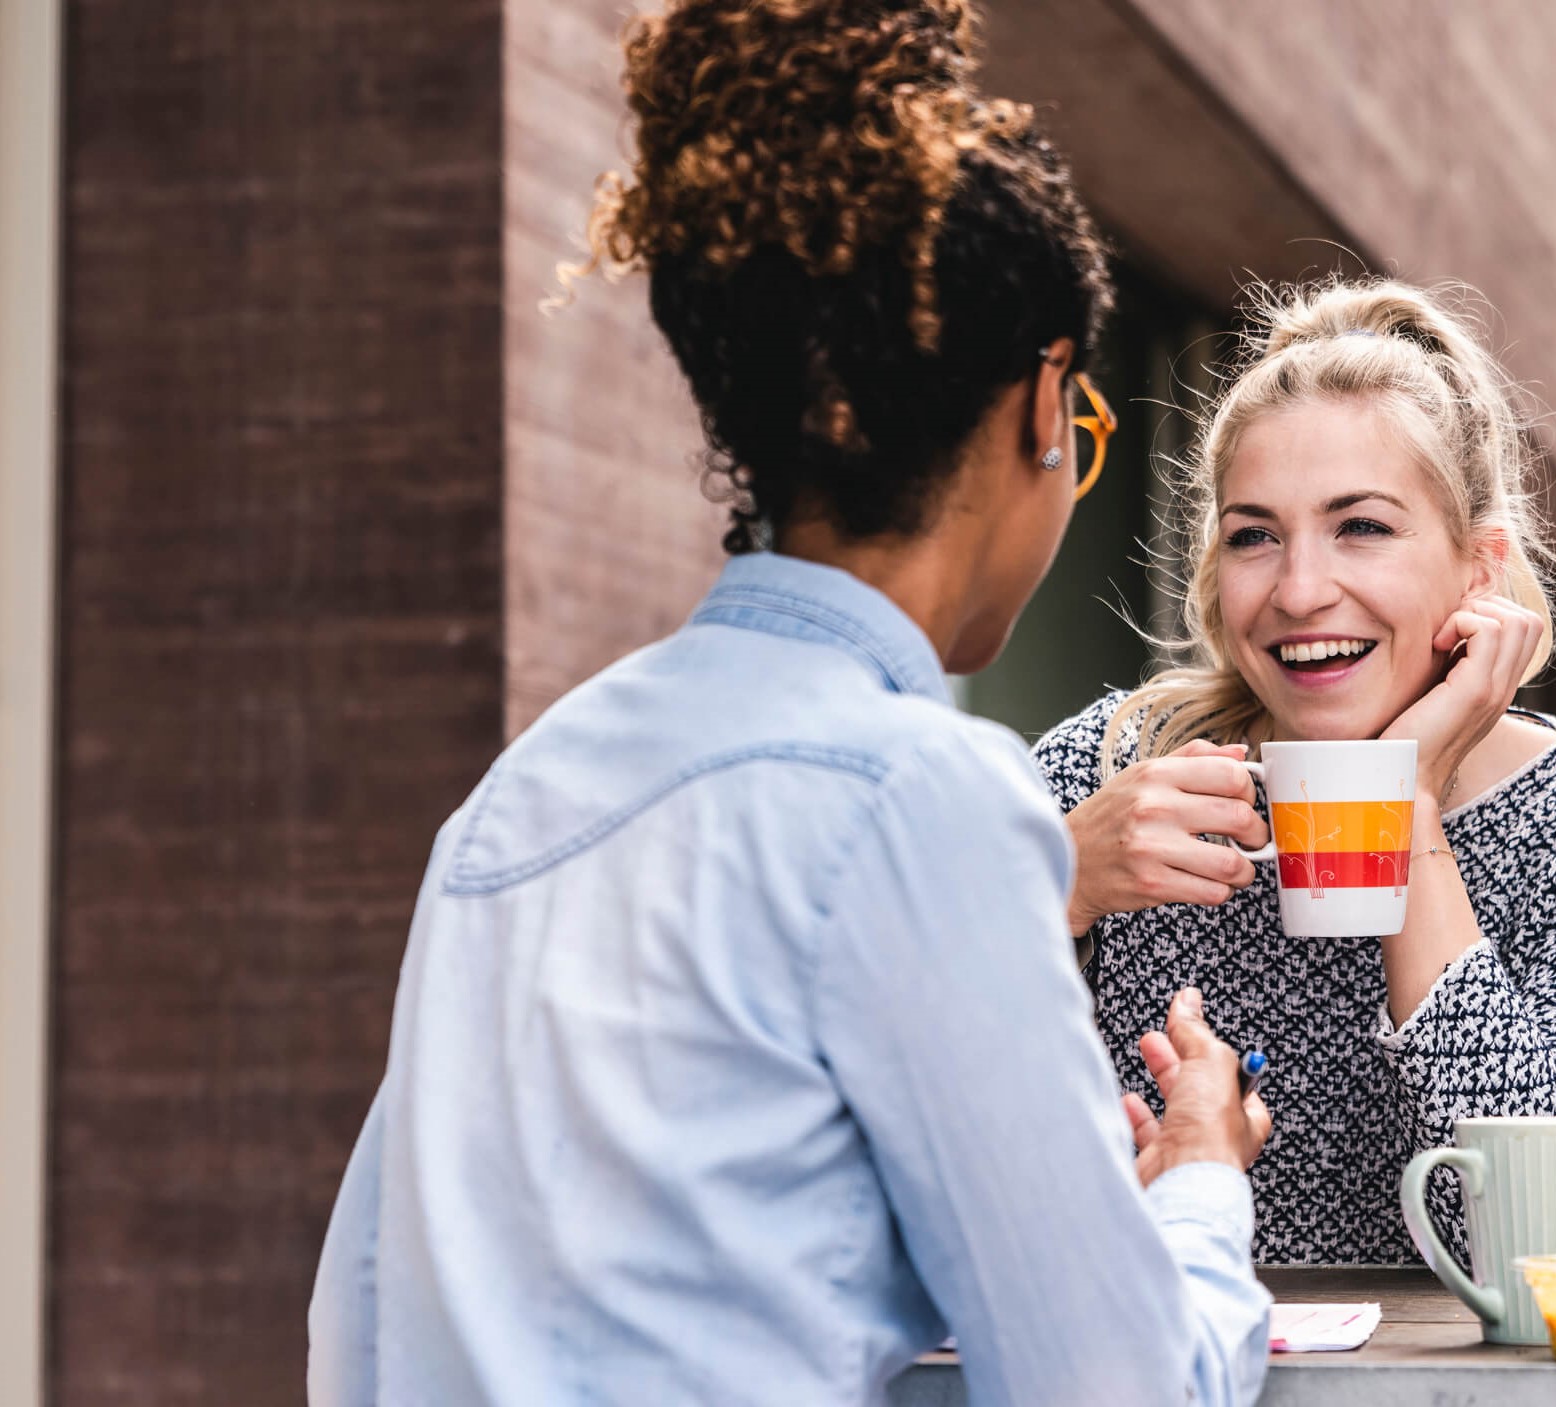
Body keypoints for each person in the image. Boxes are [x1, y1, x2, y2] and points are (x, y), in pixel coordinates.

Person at [306, 3, 1275, 1403]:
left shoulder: (518, 796)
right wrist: (1194, 1186)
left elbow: (364, 1325)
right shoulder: (919, 794)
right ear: (1043, 402)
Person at [1033, 277, 1556, 1272]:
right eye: (1253, 537)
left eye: (1362, 527)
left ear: (1478, 567)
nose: (1300, 591)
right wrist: (1060, 884)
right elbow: (909, 1087)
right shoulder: (1110, 777)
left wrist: (1407, 809)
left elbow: (1536, 1239)